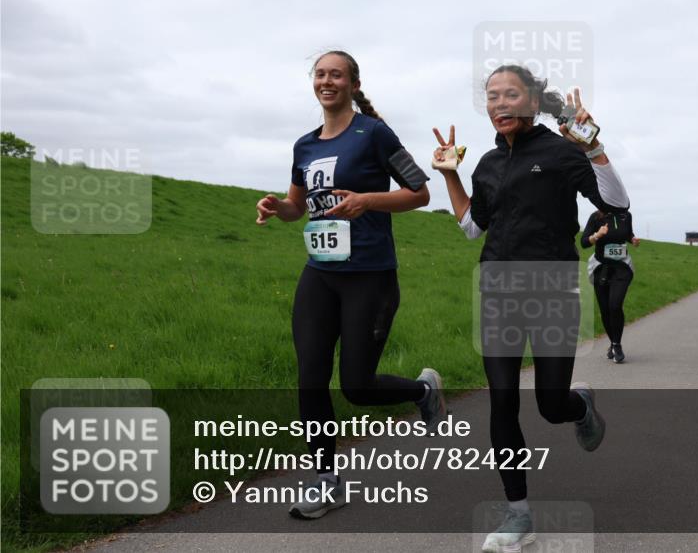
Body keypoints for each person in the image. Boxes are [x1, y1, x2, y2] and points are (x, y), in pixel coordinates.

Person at [432, 65, 629, 553]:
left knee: (549, 404)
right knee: (502, 400)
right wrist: (451, 174)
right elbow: (472, 227)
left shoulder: (561, 153)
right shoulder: (486, 164)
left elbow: (617, 203)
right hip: (497, 286)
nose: (499, 104)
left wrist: (593, 147)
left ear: (534, 101)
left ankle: (579, 405)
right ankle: (518, 515)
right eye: (492, 97)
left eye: (510, 94)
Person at [255, 50, 447, 519]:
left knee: (358, 387)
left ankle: (422, 392)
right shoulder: (304, 145)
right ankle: (327, 481)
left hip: (370, 276)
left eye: (336, 74)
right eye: (320, 74)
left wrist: (368, 201)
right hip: (320, 274)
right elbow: (299, 205)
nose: (327, 81)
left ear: (352, 83)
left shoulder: (375, 133)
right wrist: (277, 208)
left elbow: (419, 192)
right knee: (310, 379)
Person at [581, 209, 639, 363]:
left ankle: (616, 344)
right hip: (601, 268)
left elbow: (627, 233)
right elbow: (584, 242)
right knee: (605, 310)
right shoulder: (596, 217)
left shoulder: (626, 216)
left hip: (622, 268)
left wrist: (632, 239)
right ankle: (613, 343)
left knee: (615, 305)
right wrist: (597, 235)